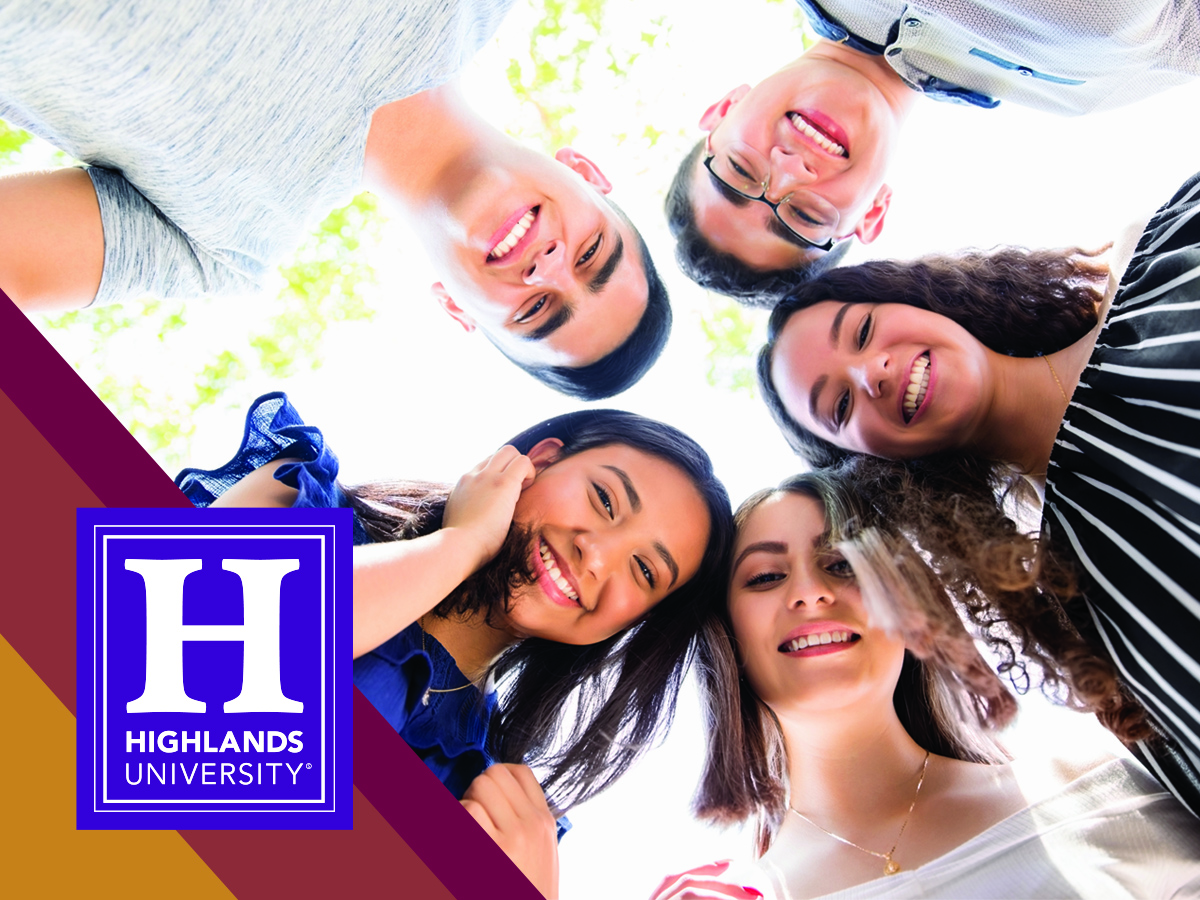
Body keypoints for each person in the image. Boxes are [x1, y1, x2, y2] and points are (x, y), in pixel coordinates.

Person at [756, 172, 1200, 817]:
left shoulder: (1165, 253)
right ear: (874, 466)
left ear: (913, 298)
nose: (872, 370)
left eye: (862, 331)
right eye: (842, 403)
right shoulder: (1090, 602)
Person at [176, 392, 734, 896]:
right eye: (605, 501)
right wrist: (463, 543)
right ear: (535, 464)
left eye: (643, 570)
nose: (597, 555)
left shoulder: (505, 814)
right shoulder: (303, 503)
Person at [0, 0, 671, 399]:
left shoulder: (222, 247)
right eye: (591, 253)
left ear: (455, 310)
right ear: (587, 171)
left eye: (536, 311)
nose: (550, 266)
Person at [651, 471, 1200, 899]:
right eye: (766, 577)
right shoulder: (741, 893)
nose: (810, 592)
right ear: (726, 638)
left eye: (841, 563)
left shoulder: (1107, 787)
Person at [665, 0, 1200, 303]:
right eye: (804, 215)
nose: (788, 170)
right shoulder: (1082, 91)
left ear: (723, 109)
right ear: (872, 213)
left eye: (739, 169)